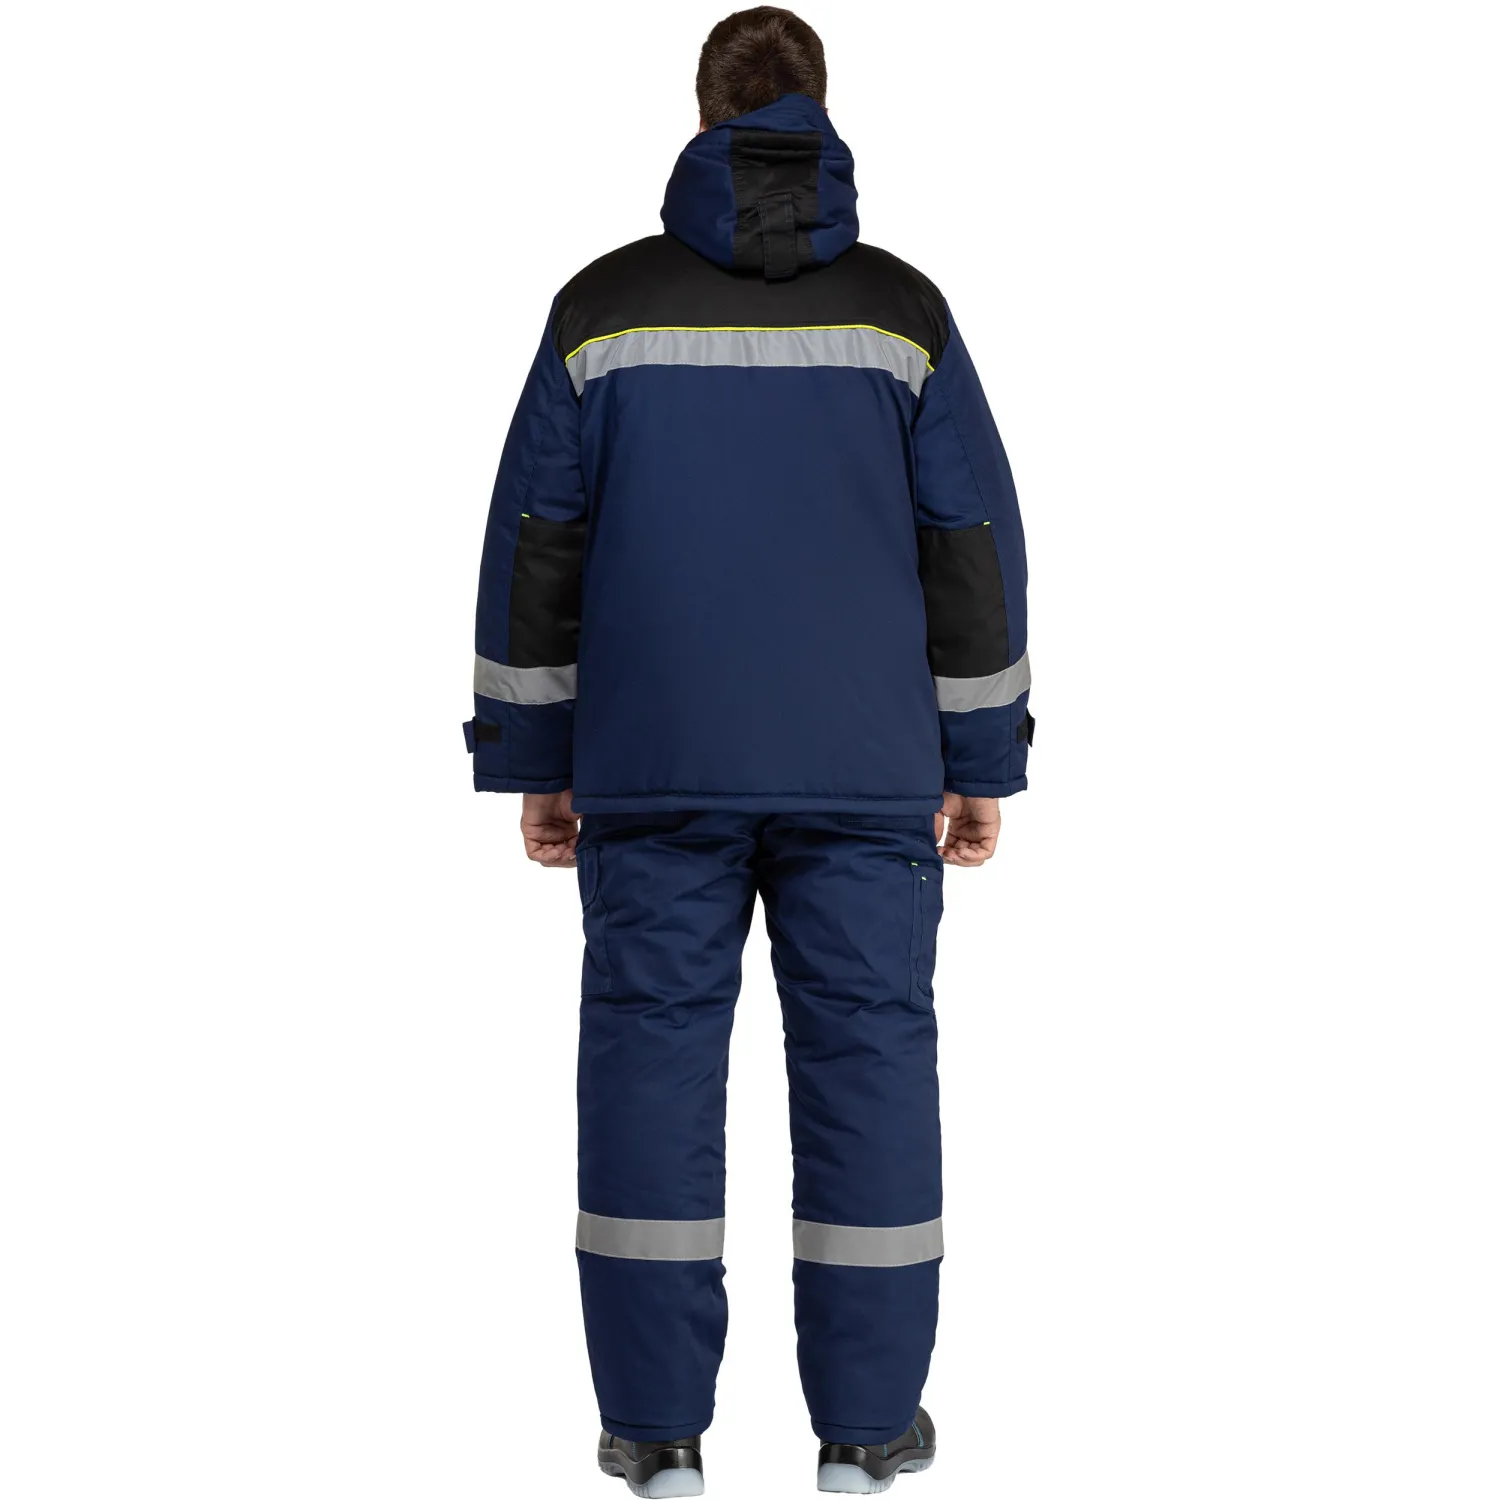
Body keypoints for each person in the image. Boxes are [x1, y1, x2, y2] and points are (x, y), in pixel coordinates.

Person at [463, 8, 1031, 1493]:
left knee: (648, 1066)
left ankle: (658, 1436)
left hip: (654, 764)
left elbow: (538, 542)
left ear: (702, 114)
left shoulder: (601, 312)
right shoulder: (903, 316)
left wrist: (535, 755)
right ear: (819, 111)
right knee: (872, 1064)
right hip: (867, 767)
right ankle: (866, 1433)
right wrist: (982, 759)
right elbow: (969, 545)